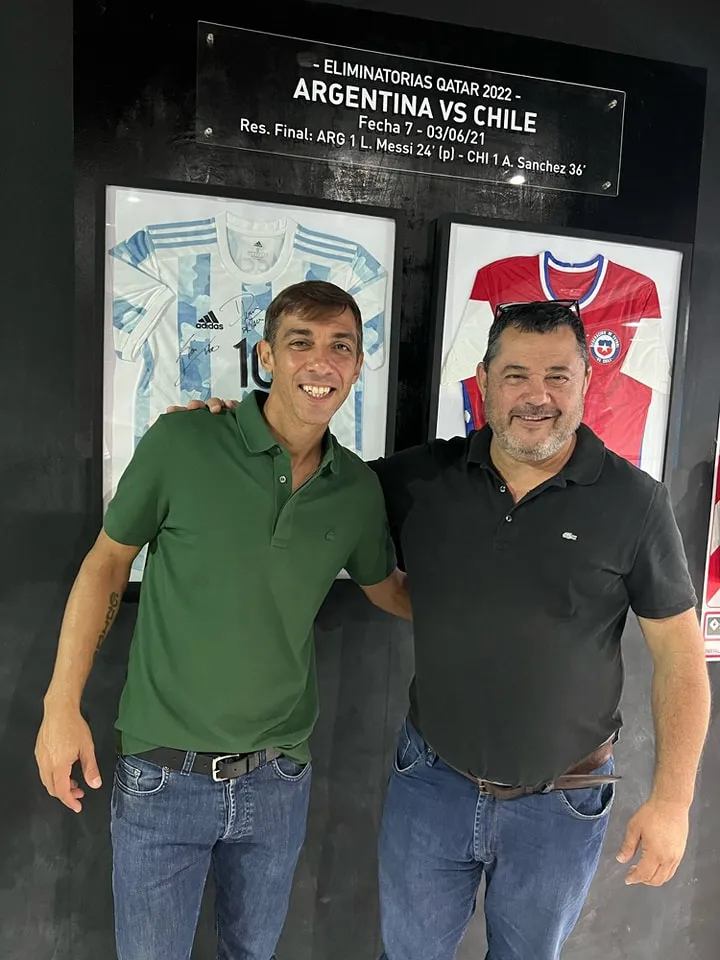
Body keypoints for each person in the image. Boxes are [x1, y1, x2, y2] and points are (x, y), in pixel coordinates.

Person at [190, 300, 710, 960]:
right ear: (484, 379)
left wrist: (673, 802)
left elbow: (681, 658)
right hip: (432, 785)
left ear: (586, 379)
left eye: (557, 375)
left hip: (561, 801)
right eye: (516, 375)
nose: (537, 396)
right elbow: (310, 476)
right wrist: (228, 428)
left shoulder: (635, 502)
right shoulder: (421, 479)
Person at [34, 280, 411, 960]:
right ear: (266, 356)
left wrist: (495, 605)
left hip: (277, 781)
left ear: (358, 365)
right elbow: (106, 564)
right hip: (162, 776)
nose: (321, 362)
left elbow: (389, 591)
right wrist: (60, 706)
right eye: (300, 342)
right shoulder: (184, 440)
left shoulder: (355, 489)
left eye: (341, 347)